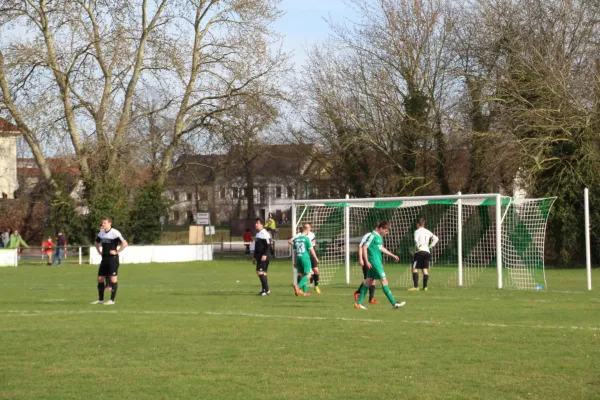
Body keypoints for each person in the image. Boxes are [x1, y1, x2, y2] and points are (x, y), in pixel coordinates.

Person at [354, 221, 405, 310]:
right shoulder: (372, 236)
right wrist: (366, 261)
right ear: (381, 228)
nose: (386, 233)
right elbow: (364, 247)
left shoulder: (379, 237)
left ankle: (358, 303)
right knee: (384, 281)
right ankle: (394, 303)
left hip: (376, 262)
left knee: (368, 282)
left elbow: (381, 248)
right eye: (385, 231)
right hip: (374, 263)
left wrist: (392, 255)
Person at [91, 217, 128, 305]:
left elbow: (125, 243)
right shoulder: (102, 232)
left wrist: (117, 251)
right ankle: (100, 300)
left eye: (104, 223)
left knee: (113, 279)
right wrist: (99, 251)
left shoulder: (115, 232)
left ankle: (112, 300)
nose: (103, 224)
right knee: (100, 279)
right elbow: (96, 243)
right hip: (104, 259)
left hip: (113, 259)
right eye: (102, 223)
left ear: (109, 223)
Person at [289, 222, 322, 294]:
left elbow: (294, 252)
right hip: (306, 256)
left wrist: (294, 261)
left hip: (299, 257)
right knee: (308, 274)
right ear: (306, 229)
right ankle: (298, 286)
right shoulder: (306, 238)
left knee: (303, 274)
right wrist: (316, 257)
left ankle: (305, 292)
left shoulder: (297, 239)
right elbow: (311, 249)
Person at [409, 219, 439, 292]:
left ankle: (416, 287)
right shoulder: (427, 231)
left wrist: (417, 247)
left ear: (418, 224)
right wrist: (431, 246)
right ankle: (425, 287)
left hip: (419, 252)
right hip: (427, 252)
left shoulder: (417, 231)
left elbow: (416, 240)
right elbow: (436, 238)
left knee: (414, 268)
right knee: (424, 269)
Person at [353, 225, 380, 304]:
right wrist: (361, 259)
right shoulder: (368, 235)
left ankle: (371, 299)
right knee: (368, 279)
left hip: (372, 260)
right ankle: (358, 292)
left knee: (372, 278)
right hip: (366, 260)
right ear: (377, 228)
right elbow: (361, 246)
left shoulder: (377, 237)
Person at [252, 218, 271, 296]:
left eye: (258, 223)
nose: (256, 224)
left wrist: (265, 254)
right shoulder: (258, 234)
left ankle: (266, 290)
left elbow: (269, 245)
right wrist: (254, 257)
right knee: (263, 273)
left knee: (259, 272)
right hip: (259, 256)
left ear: (262, 224)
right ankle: (265, 290)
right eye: (255, 223)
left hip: (263, 257)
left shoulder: (265, 233)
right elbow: (257, 247)